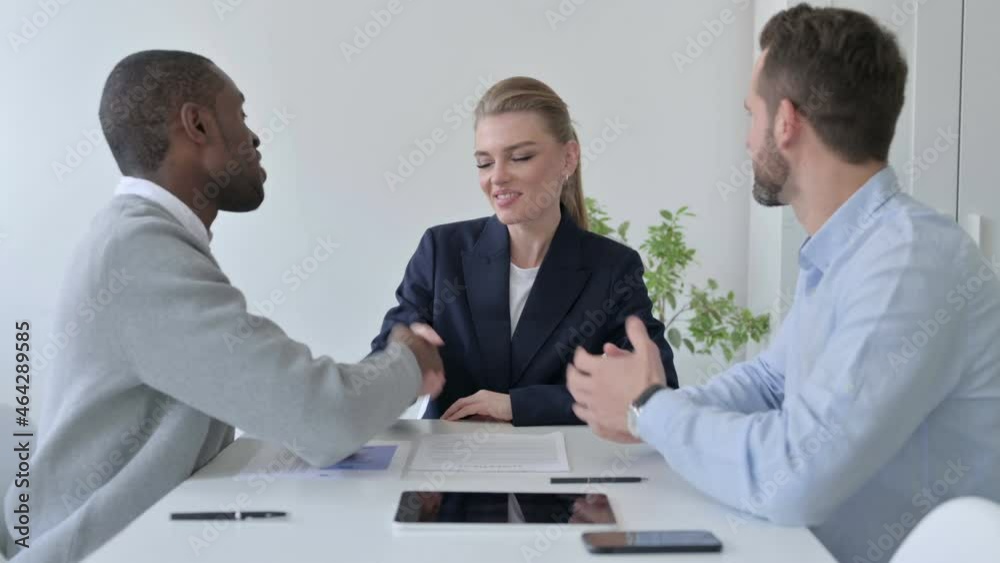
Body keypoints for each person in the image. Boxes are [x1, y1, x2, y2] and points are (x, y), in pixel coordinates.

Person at [566, 5, 1000, 563]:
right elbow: (772, 382)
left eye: (751, 114)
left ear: (786, 122)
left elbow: (796, 473)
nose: (747, 140)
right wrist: (650, 414)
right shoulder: (850, 251)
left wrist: (651, 409)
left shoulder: (908, 263)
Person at [1, 50, 445, 563]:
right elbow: (324, 417)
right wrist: (410, 357)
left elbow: (282, 398)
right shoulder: (139, 251)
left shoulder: (141, 238)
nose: (254, 138)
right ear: (197, 124)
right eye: (241, 114)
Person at [371, 77, 677, 426]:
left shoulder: (612, 269)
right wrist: (405, 355)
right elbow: (379, 369)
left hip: (562, 473)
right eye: (484, 163)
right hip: (449, 469)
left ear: (568, 158)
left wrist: (518, 405)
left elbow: (656, 387)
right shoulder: (441, 251)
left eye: (520, 157)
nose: (497, 178)